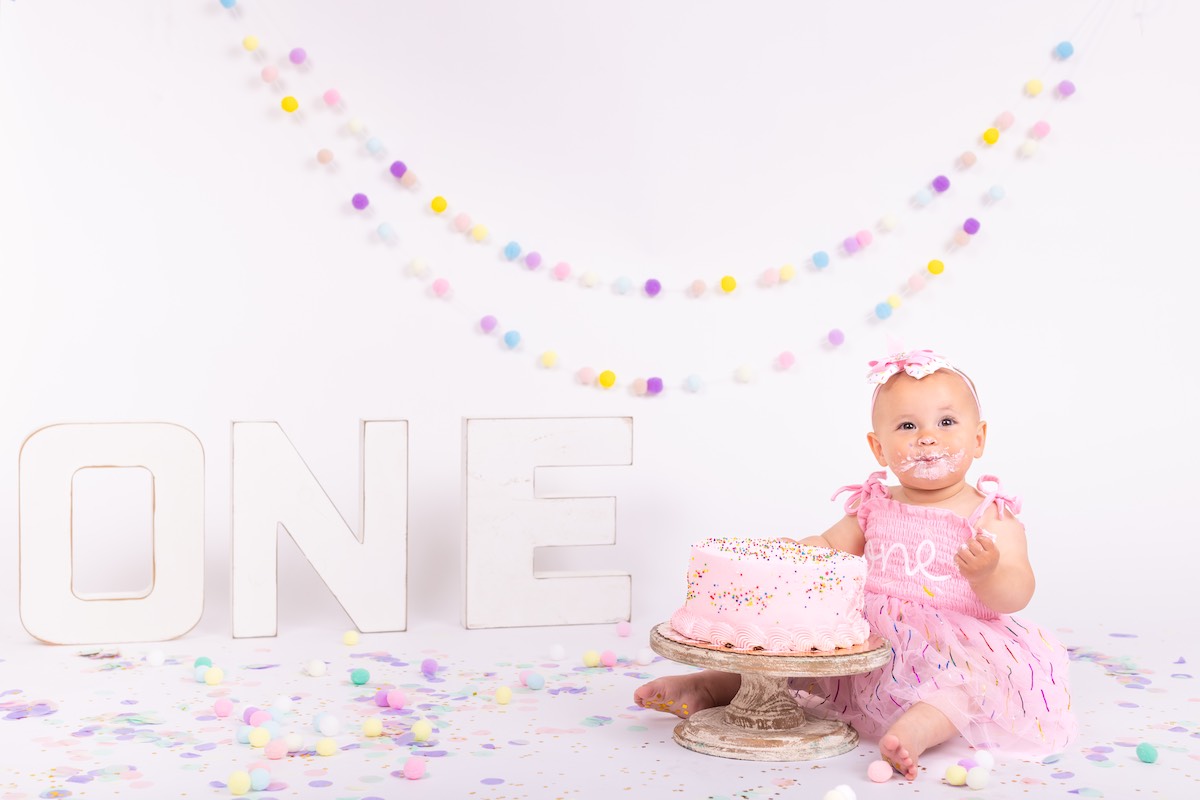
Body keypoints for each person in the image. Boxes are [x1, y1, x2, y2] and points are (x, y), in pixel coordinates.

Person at [634, 350, 1075, 779]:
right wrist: (797, 551)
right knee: (797, 660)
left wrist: (989, 572)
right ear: (878, 447)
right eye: (907, 425)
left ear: (978, 438)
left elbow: (1018, 591)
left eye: (946, 422)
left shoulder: (991, 516)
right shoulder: (874, 503)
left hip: (952, 643)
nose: (927, 436)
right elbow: (831, 545)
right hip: (869, 633)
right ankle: (712, 686)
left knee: (964, 691)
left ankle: (915, 732)